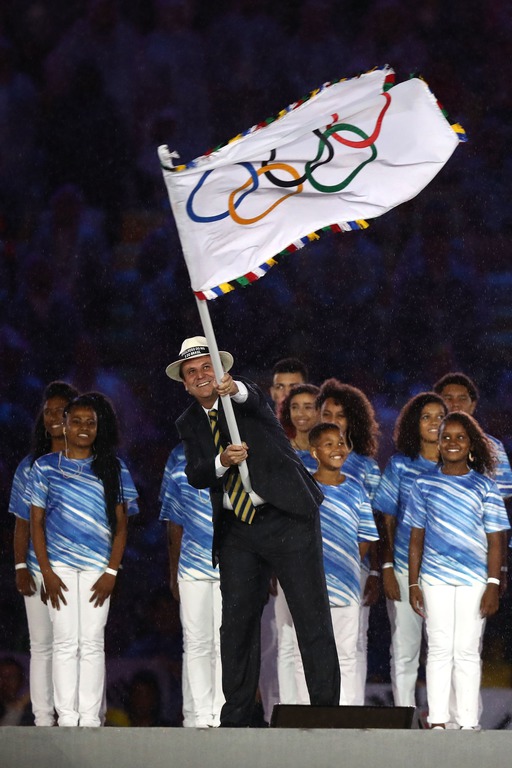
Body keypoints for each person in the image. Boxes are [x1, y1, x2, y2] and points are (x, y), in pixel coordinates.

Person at [167, 336, 340, 727]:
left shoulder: (244, 397)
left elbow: (256, 397)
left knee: (310, 615)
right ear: (184, 382)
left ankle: (327, 713)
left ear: (220, 370)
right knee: (237, 623)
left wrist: (237, 388)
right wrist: (221, 460)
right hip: (237, 529)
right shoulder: (189, 422)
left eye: (206, 367)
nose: (200, 376)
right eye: (191, 372)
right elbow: (196, 473)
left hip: (287, 517)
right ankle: (238, 716)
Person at [28, 393, 138, 727]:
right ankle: (67, 717)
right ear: (63, 424)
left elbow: (121, 525)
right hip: (57, 566)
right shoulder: (45, 467)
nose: (83, 428)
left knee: (91, 640)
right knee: (64, 640)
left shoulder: (113, 467)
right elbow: (35, 522)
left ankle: (89, 718)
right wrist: (45, 571)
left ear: (99, 427)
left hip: (96, 567)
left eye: (90, 422)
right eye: (76, 421)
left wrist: (111, 572)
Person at [405, 412, 509, 729]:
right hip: (434, 579)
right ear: (438, 444)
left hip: (474, 581)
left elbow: (496, 542)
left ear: (471, 444)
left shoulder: (485, 487)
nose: (452, 442)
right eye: (446, 437)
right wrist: (413, 585)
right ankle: (438, 721)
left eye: (460, 437)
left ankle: (467, 722)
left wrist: (493, 583)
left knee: (465, 649)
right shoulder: (423, 484)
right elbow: (416, 540)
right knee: (438, 648)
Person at [9, 380, 78, 726]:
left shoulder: (91, 462)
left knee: (77, 644)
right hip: (38, 569)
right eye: (48, 411)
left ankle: (78, 715)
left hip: (79, 568)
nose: (53, 417)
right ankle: (42, 718)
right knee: (42, 645)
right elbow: (22, 523)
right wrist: (21, 564)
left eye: (61, 411)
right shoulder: (30, 465)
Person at [294, 423, 379, 705]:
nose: (337, 449)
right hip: (309, 586)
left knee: (346, 652)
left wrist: (344, 564)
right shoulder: (302, 487)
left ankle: (345, 712)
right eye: (328, 444)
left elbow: (365, 536)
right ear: (314, 452)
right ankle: (304, 713)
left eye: (340, 443)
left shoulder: (356, 491)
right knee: (306, 650)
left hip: (346, 586)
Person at [373, 392, 447, 707]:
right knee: (405, 648)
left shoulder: (460, 465)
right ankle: (405, 718)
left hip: (447, 573)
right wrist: (387, 567)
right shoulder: (400, 466)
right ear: (414, 424)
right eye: (426, 416)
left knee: (445, 649)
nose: (433, 423)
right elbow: (385, 519)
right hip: (405, 569)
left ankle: (445, 719)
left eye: (440, 416)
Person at [317, 378, 381, 704]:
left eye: (340, 415)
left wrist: (374, 572)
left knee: (354, 641)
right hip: (312, 568)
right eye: (326, 412)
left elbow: (377, 522)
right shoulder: (305, 464)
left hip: (356, 567)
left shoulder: (366, 469)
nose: (332, 419)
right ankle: (311, 714)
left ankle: (350, 710)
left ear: (351, 420)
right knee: (314, 641)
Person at [159, 442, 224, 728]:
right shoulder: (179, 472)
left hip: (231, 569)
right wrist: (174, 573)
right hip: (192, 569)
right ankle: (196, 715)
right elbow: (174, 527)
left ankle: (221, 713)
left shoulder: (239, 469)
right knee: (196, 643)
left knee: (225, 644)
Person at [433, 372, 512, 593]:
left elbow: (503, 508)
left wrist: (501, 567)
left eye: (462, 398)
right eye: (448, 398)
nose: (455, 404)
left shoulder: (493, 448)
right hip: (433, 557)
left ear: (473, 404)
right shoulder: (424, 448)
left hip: (479, 556)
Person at [274, 384, 319, 704]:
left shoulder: (333, 452)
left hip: (324, 561)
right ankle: (289, 712)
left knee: (318, 637)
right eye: (295, 407)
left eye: (309, 407)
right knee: (286, 640)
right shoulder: (278, 452)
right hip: (285, 557)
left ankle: (320, 711)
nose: (302, 414)